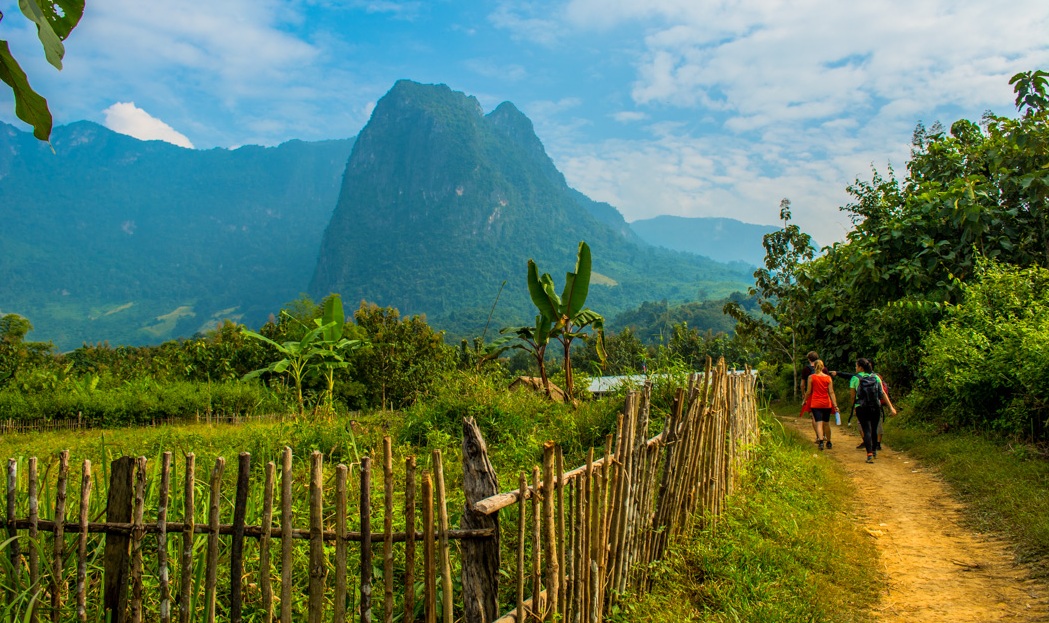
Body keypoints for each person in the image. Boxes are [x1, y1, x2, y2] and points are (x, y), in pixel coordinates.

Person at [848, 358, 896, 463]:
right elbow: (883, 393)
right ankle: (874, 450)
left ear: (860, 367)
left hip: (861, 407)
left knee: (866, 429)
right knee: (874, 429)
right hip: (875, 406)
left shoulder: (855, 379)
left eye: (856, 366)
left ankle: (869, 453)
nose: (855, 368)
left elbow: (853, 397)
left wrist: (854, 408)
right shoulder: (876, 377)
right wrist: (891, 407)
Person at [804, 359, 837, 450]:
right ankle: (829, 442)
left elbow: (808, 391)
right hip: (826, 403)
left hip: (816, 403)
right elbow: (831, 392)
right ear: (823, 367)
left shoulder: (811, 377)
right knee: (826, 423)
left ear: (814, 367)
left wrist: (804, 400)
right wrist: (835, 405)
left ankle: (821, 441)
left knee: (819, 423)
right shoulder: (828, 378)